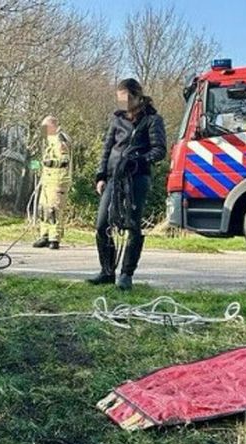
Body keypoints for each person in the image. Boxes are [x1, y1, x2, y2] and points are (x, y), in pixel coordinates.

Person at [89, 78, 167, 290]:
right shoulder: (116, 121)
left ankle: (126, 274)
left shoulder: (152, 120)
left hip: (137, 178)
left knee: (133, 225)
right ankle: (107, 270)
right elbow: (107, 149)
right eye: (119, 99)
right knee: (102, 224)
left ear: (136, 96)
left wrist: (139, 159)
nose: (121, 104)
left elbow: (159, 150)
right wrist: (101, 176)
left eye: (125, 99)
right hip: (114, 177)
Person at [32, 116, 71, 250]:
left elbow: (64, 160)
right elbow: (42, 159)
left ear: (52, 126)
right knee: (43, 208)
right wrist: (34, 165)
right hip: (47, 180)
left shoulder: (61, 139)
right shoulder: (48, 142)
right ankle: (45, 235)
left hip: (58, 180)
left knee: (54, 209)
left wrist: (49, 163)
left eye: (45, 127)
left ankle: (54, 239)